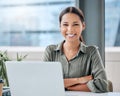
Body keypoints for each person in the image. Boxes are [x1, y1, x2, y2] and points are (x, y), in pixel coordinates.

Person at [42, 6, 109, 93]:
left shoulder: (91, 52)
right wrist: (79, 80)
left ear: (83, 26)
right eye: (65, 24)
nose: (70, 29)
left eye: (75, 24)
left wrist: (66, 87)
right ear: (60, 27)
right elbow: (44, 83)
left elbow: (102, 85)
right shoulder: (50, 51)